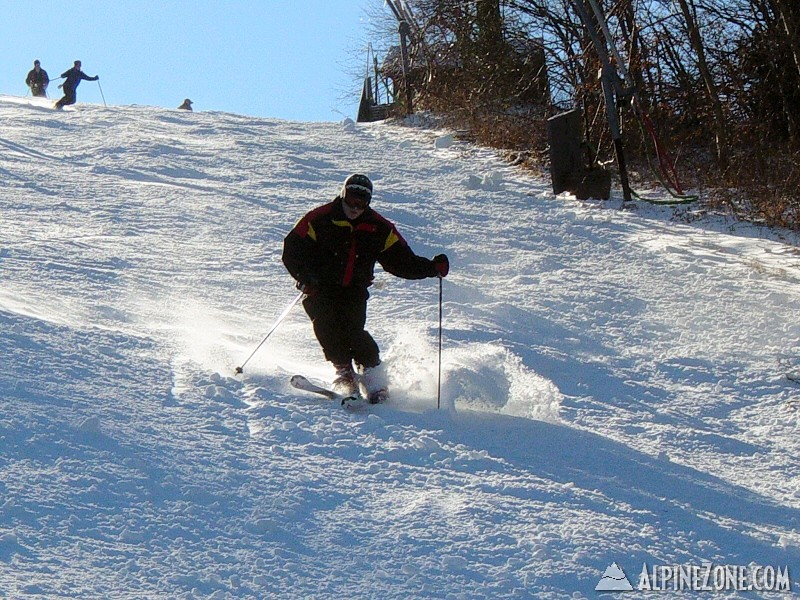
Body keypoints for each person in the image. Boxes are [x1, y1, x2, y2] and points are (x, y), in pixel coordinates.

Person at [282, 173, 449, 403]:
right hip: (319, 286)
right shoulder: (319, 219)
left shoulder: (378, 228)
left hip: (354, 290)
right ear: (343, 194)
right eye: (351, 200)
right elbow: (292, 249)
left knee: (354, 332)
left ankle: (372, 376)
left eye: (362, 203)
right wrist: (304, 276)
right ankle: (344, 373)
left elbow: (401, 261)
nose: (355, 207)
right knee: (326, 327)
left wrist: (431, 268)